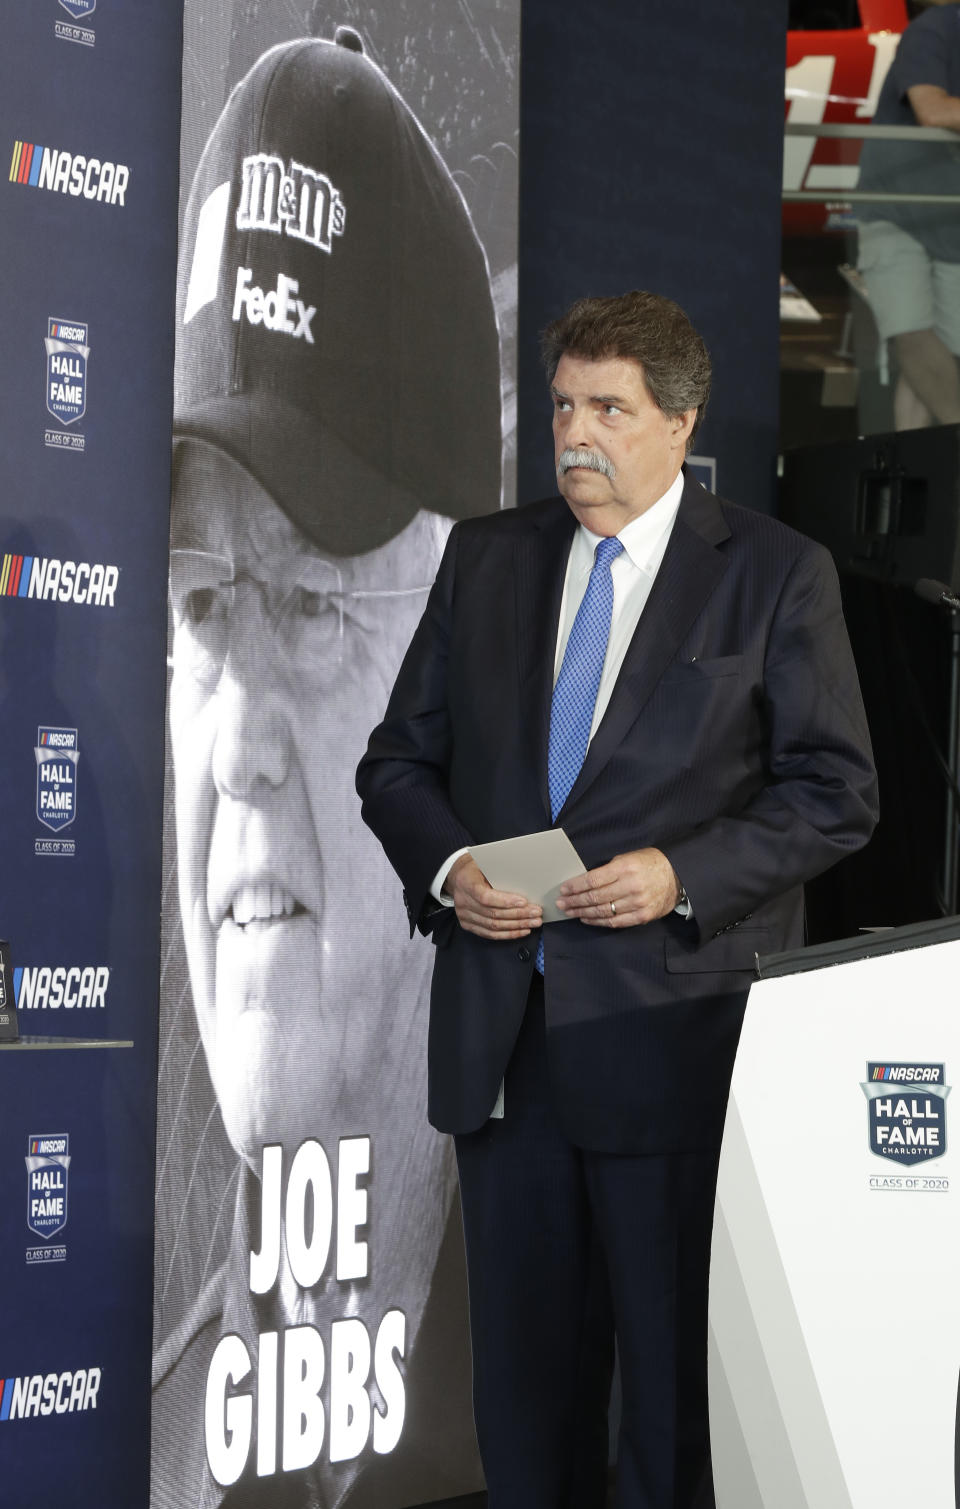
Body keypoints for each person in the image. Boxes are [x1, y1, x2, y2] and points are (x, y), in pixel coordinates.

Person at [357, 290, 879, 1509]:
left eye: (609, 409)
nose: (576, 436)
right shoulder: (486, 558)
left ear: (681, 423)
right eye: (561, 408)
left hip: (672, 1044)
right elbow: (396, 763)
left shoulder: (774, 574)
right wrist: (453, 869)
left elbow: (836, 794)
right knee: (524, 1402)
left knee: (670, 1401)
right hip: (508, 1042)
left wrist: (682, 876)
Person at [151, 30, 501, 1509]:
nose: (235, 747)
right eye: (203, 607)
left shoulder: (634, 1367)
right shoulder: (144, 1450)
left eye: (307, 603)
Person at [857, 0, 960, 429]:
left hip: (949, 221)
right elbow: (931, 108)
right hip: (896, 211)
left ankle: (914, 480)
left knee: (934, 363)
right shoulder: (938, 26)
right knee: (914, 336)